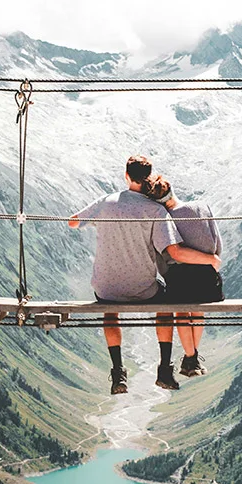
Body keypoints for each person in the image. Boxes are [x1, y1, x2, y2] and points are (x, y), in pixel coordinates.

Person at [69, 156, 221, 395]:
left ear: (126, 175)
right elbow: (174, 251)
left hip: (106, 287)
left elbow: (73, 222)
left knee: (109, 309)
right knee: (167, 302)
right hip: (143, 289)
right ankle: (164, 369)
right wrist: (211, 260)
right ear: (149, 176)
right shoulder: (155, 210)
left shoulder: (106, 202)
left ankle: (118, 371)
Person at [142, 175, 223, 378]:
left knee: (181, 312)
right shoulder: (201, 206)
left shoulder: (164, 219)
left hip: (181, 281)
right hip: (209, 282)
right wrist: (210, 260)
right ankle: (191, 359)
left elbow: (171, 255)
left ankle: (191, 357)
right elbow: (217, 244)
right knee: (198, 312)